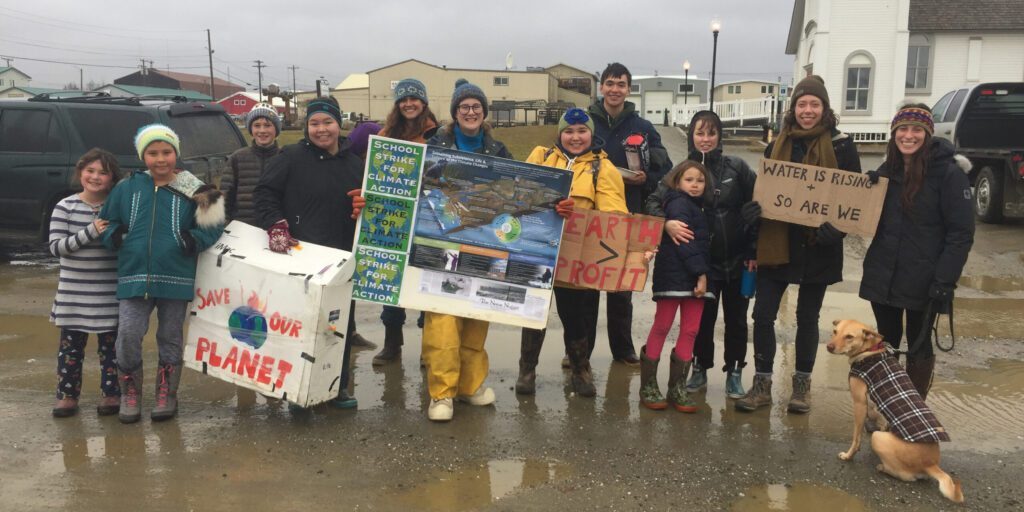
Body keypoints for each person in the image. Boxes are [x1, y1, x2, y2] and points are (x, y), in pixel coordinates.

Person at [736, 75, 861, 414]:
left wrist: (839, 229)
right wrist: (754, 212)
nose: (808, 110)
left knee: (808, 318)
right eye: (802, 104)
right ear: (793, 109)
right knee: (762, 316)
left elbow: (855, 200)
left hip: (818, 244)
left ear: (824, 109)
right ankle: (762, 383)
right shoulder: (776, 144)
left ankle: (801, 387)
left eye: (814, 104)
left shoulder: (842, 146)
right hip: (777, 241)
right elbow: (765, 191)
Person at [100, 125, 226, 423]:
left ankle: (166, 394)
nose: (160, 159)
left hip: (175, 274)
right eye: (153, 153)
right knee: (128, 335)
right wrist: (117, 237)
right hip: (133, 275)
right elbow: (106, 220)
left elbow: (215, 221)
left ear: (176, 153)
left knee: (170, 336)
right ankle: (130, 391)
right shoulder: (127, 187)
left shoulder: (194, 187)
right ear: (143, 155)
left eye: (166, 152)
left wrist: (192, 240)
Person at [254, 97, 366, 410]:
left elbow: (363, 207)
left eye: (327, 122)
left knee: (338, 325)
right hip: (300, 257)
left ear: (339, 124)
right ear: (307, 127)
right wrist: (275, 226)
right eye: (314, 123)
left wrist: (362, 209)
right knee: (298, 326)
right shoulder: (290, 157)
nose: (321, 129)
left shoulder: (354, 164)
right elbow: (264, 193)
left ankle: (336, 387)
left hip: (341, 259)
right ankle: (295, 389)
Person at [419, 79, 521, 421]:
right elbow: (423, 188)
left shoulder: (499, 151)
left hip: (485, 244)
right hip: (441, 242)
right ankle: (441, 394)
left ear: (484, 112)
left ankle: (470, 386)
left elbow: (515, 192)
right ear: (454, 112)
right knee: (443, 317)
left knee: (478, 313)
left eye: (476, 106)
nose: (471, 112)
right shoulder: (434, 146)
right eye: (464, 107)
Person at [859, 104, 974, 400]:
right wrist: (867, 189)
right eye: (903, 129)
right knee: (885, 341)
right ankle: (886, 402)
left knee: (919, 345)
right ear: (894, 133)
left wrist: (945, 280)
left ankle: (912, 406)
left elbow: (961, 234)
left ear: (927, 134)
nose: (908, 136)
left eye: (916, 129)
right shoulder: (888, 170)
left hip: (925, 278)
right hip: (883, 272)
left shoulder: (948, 175)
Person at [645, 110, 757, 399]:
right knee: (701, 322)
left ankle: (734, 371)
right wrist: (665, 224)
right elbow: (654, 201)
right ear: (692, 135)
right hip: (701, 263)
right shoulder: (681, 171)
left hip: (736, 258)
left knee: (737, 320)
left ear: (719, 136)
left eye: (711, 133)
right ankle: (699, 367)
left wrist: (753, 244)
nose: (705, 139)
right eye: (699, 132)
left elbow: (760, 203)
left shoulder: (737, 167)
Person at [517, 108, 626, 397]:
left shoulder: (603, 168)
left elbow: (614, 215)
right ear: (560, 134)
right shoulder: (540, 157)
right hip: (537, 251)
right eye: (569, 131)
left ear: (591, 133)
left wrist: (575, 213)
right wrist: (549, 204)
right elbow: (520, 195)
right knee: (534, 313)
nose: (575, 137)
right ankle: (527, 369)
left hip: (575, 256)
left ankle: (580, 368)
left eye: (581, 131)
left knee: (576, 316)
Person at [586, 63, 673, 366]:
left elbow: (665, 171)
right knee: (585, 286)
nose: (614, 89)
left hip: (630, 214)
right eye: (609, 83)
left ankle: (622, 349)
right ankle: (578, 352)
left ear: (628, 89)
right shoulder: (586, 123)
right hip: (590, 215)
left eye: (621, 84)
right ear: (601, 87)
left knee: (621, 287)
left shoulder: (643, 129)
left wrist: (644, 180)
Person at [48, 148, 123, 418]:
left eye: (103, 172)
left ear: (112, 178)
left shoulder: (117, 207)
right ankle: (67, 396)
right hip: (73, 296)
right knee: (70, 350)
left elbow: (124, 245)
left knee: (112, 350)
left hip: (108, 294)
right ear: (80, 173)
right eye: (90, 171)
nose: (95, 177)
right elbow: (57, 248)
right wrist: (91, 231)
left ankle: (112, 394)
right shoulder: (65, 207)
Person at [373, 78, 439, 366]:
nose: (409, 103)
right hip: (394, 216)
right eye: (403, 99)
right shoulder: (386, 134)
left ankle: (430, 345)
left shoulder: (439, 134)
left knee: (427, 280)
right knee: (392, 280)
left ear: (423, 102)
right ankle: (392, 341)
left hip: (429, 217)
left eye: (414, 98)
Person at [641, 160, 713, 413]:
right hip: (676, 277)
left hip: (693, 277)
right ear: (677, 182)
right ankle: (648, 385)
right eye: (689, 180)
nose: (695, 185)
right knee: (662, 326)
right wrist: (702, 275)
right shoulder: (679, 203)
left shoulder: (700, 207)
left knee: (690, 330)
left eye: (700, 181)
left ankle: (677, 386)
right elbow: (686, 242)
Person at [221, 104, 282, 225]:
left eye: (268, 125)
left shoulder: (285, 157)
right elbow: (225, 197)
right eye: (257, 125)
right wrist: (225, 225)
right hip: (242, 229)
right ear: (250, 129)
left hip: (275, 229)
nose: (262, 130)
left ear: (276, 129)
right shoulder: (237, 158)